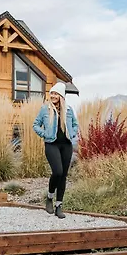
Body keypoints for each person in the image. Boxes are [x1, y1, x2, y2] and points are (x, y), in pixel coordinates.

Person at [33, 82, 79, 218]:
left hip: (66, 145)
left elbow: (75, 124)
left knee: (63, 175)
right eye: (51, 93)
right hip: (51, 144)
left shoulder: (69, 110)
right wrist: (44, 134)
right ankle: (49, 197)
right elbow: (36, 125)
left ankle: (59, 206)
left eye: (55, 93)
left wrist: (72, 133)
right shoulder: (45, 109)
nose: (53, 96)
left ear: (61, 96)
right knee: (57, 171)